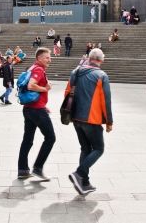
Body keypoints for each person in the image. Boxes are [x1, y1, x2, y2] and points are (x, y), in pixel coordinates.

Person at [66, 48, 113, 194]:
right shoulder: (101, 75)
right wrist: (109, 121)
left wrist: (70, 114)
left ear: (89, 58)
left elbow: (67, 93)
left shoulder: (75, 72)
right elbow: (106, 100)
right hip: (92, 119)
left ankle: (84, 183)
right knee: (99, 148)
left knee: (85, 149)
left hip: (76, 117)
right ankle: (79, 173)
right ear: (102, 61)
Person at [18, 47, 56, 180]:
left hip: (29, 108)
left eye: (49, 58)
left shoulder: (32, 68)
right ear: (39, 58)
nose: (49, 60)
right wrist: (45, 88)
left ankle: (22, 170)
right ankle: (38, 168)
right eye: (47, 58)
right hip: (37, 110)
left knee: (27, 140)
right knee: (50, 138)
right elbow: (31, 86)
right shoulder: (39, 69)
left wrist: (44, 105)